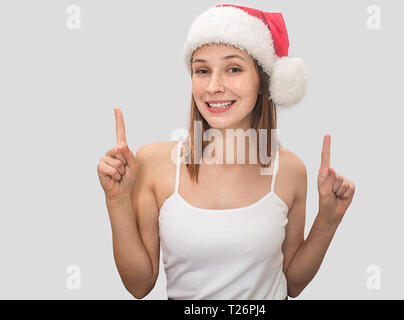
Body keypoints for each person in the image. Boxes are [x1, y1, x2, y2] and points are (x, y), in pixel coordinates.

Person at [97, 4, 355, 300]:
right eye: (202, 70)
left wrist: (327, 220)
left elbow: (293, 283)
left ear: (262, 81)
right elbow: (139, 285)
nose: (214, 86)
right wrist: (117, 200)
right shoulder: (154, 164)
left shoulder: (289, 170)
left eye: (233, 68)